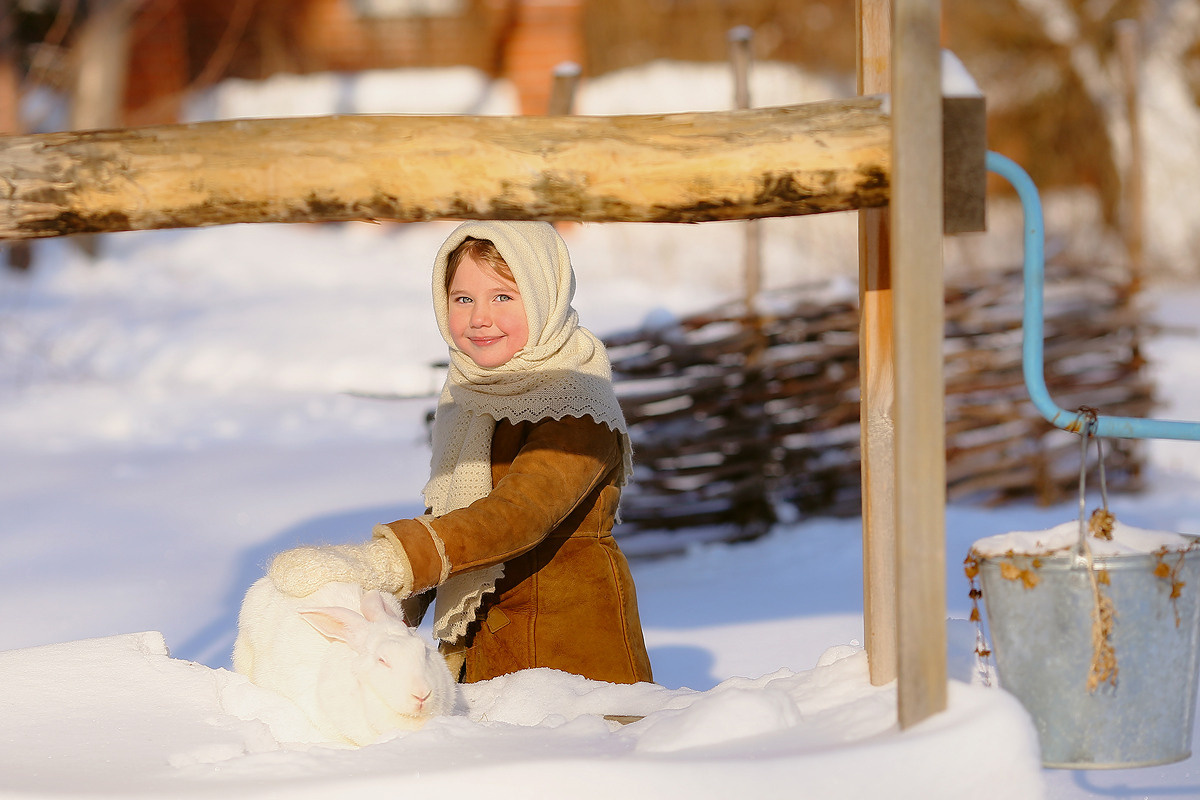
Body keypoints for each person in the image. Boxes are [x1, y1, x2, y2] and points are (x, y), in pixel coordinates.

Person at [269, 220, 653, 686]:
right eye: (463, 299)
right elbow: (453, 513)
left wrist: (391, 561)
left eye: (503, 297)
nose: (479, 317)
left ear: (545, 298)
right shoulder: (471, 396)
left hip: (570, 658)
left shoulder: (578, 407)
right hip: (487, 653)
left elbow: (517, 515)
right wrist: (385, 608)